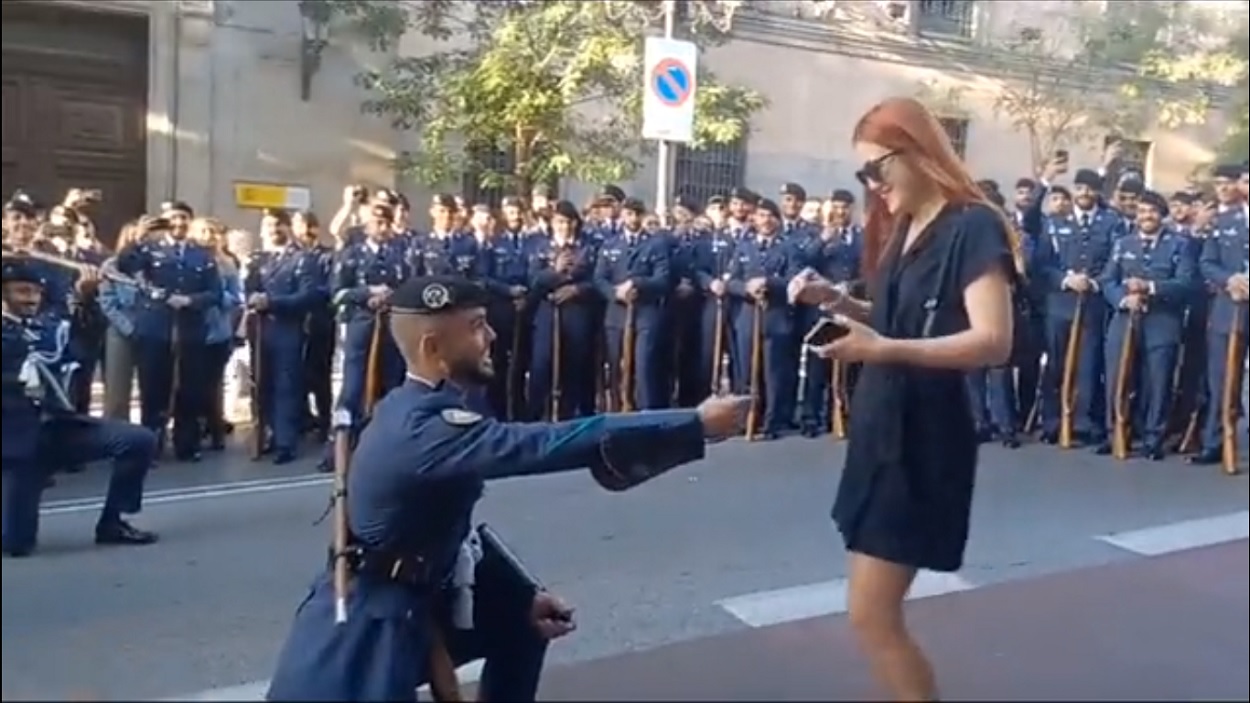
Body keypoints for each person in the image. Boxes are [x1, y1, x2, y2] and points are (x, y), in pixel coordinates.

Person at [265, 275, 747, 702]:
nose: (492, 335)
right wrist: (690, 423)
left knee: (523, 625)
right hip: (369, 628)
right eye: (476, 326)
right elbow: (550, 444)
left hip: (415, 600)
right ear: (433, 348)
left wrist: (519, 597)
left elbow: (454, 526)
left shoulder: (422, 407)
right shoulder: (423, 430)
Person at [789, 96, 1015, 701]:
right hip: (880, 425)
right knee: (870, 612)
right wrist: (839, 303)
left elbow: (992, 340)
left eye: (876, 168)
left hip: (923, 437)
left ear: (915, 153)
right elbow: (894, 319)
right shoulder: (903, 226)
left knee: (870, 614)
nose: (871, 185)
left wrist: (882, 349)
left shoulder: (973, 225)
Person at [2, 253, 159, 557]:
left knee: (138, 440)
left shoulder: (49, 328)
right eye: (22, 291)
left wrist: (86, 299)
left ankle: (114, 522)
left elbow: (84, 345)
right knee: (16, 544)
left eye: (35, 292)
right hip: (11, 444)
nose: (31, 299)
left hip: (58, 429)